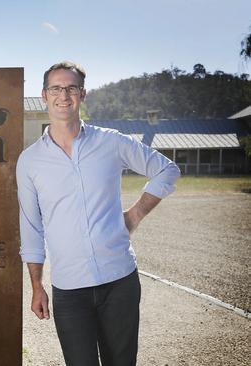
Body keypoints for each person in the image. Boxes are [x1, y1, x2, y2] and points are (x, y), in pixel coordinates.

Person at [17, 61, 180, 366]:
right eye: (56, 88)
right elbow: (31, 228)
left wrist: (134, 214)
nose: (63, 95)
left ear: (83, 94)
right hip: (69, 289)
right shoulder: (30, 161)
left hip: (120, 281)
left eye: (71, 88)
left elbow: (166, 170)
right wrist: (37, 287)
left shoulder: (111, 141)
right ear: (44, 95)